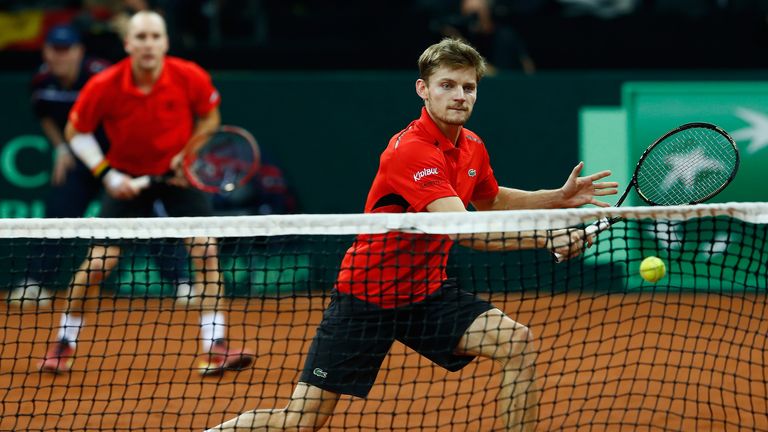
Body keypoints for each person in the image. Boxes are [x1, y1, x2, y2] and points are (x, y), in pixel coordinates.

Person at [209, 38, 617, 432]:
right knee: (300, 421)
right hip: (366, 299)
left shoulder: (472, 145)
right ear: (423, 90)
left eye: (468, 87)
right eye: (448, 85)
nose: (460, 95)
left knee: (516, 342)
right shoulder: (410, 151)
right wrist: (545, 238)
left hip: (425, 294)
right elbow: (462, 228)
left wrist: (557, 198)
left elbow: (490, 201)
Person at [38, 10, 254, 376]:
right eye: (141, 38)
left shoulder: (189, 76)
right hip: (126, 179)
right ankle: (63, 341)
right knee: (98, 264)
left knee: (205, 250)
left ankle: (215, 344)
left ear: (166, 42)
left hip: (177, 178)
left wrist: (187, 156)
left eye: (155, 36)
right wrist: (108, 175)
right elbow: (77, 133)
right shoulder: (105, 84)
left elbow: (210, 117)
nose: (148, 44)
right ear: (128, 44)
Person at [20, 23, 194, 306]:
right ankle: (36, 283)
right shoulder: (41, 83)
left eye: (66, 50)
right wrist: (62, 148)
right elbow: (45, 115)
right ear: (46, 52)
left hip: (121, 161)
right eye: (55, 50)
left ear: (79, 52)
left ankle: (181, 282)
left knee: (151, 219)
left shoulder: (101, 77)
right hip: (85, 161)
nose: (60, 56)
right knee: (57, 214)